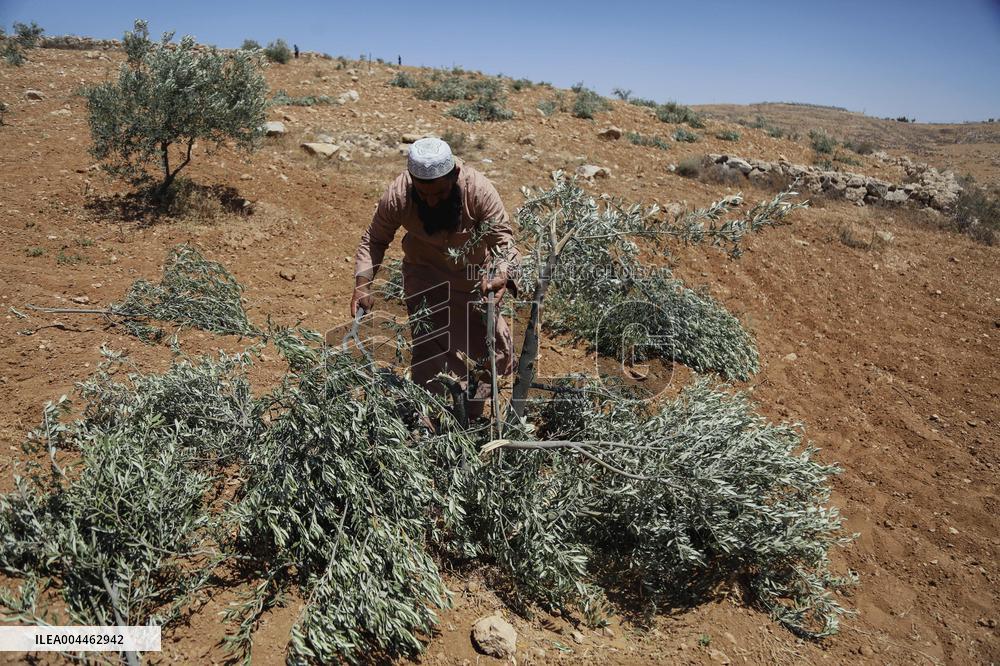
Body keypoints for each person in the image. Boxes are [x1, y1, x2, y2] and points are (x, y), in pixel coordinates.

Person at [352, 138, 519, 418]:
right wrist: (362, 286)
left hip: (473, 281)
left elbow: (503, 241)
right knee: (431, 352)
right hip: (425, 278)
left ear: (453, 176)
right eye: (423, 194)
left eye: (439, 194)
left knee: (487, 353)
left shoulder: (477, 190)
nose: (431, 201)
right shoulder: (399, 194)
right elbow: (374, 240)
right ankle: (427, 419)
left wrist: (502, 273)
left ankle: (469, 418)